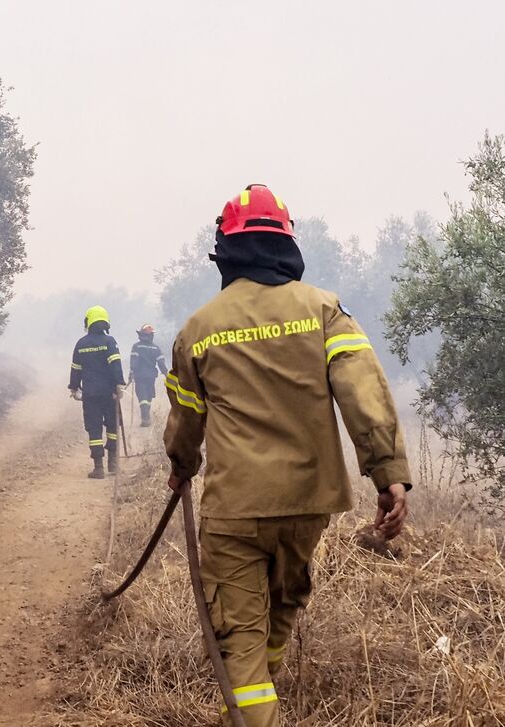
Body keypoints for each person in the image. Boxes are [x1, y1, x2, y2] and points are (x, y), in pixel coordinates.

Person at [163, 185, 411, 727]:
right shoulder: (323, 311)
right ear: (286, 246)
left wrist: (182, 468)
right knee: (280, 613)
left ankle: (254, 705)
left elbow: (185, 422)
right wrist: (388, 474)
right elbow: (363, 395)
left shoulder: (198, 329)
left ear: (226, 251)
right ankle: (258, 702)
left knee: (242, 646)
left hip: (235, 512)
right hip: (306, 506)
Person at [68, 305, 126, 479]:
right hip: (109, 394)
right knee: (112, 427)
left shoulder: (81, 344)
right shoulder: (110, 342)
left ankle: (98, 468)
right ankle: (113, 464)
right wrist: (119, 385)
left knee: (94, 430)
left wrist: (73, 387)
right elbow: (115, 365)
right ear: (105, 322)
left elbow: (75, 368)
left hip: (90, 395)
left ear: (88, 322)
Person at [129, 323, 168, 427]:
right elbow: (161, 363)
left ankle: (145, 418)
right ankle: (146, 417)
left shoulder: (136, 347)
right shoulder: (156, 348)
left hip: (139, 376)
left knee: (142, 397)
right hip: (151, 377)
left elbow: (134, 362)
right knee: (148, 396)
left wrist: (131, 373)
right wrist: (166, 374)